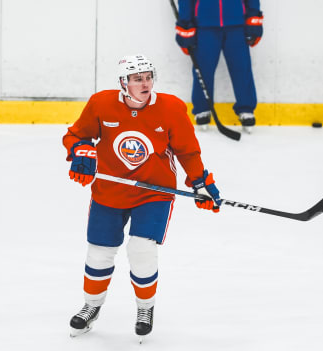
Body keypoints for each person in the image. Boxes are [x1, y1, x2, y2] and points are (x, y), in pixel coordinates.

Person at [62, 54, 223, 340]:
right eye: (138, 79)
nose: (145, 83)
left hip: (153, 191)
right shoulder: (101, 103)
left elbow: (187, 150)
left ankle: (145, 308)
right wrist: (80, 152)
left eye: (149, 77)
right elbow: (75, 136)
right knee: (99, 252)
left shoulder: (171, 108)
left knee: (141, 249)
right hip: (109, 191)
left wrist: (199, 182)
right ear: (124, 83)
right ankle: (91, 306)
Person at [175, 0, 263, 133]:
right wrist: (185, 24)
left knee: (241, 67)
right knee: (203, 69)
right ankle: (202, 109)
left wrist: (253, 19)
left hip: (237, 24)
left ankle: (246, 108)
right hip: (204, 26)